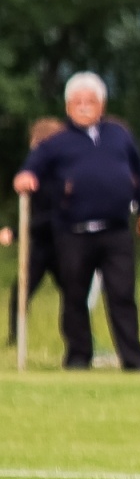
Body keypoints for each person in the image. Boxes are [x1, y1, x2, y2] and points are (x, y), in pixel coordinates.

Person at [17, 72, 140, 370]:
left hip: (116, 230)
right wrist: (26, 177)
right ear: (67, 107)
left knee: (122, 295)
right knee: (75, 295)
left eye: (89, 101)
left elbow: (139, 174)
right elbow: (31, 168)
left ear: (101, 105)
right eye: (76, 102)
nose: (83, 107)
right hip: (73, 231)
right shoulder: (57, 142)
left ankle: (133, 360)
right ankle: (79, 357)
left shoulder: (119, 135)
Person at [8, 118, 66, 346]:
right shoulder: (35, 175)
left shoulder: (60, 176)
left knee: (73, 295)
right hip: (40, 244)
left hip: (61, 242)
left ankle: (77, 342)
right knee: (20, 292)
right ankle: (15, 340)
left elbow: (52, 216)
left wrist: (15, 232)